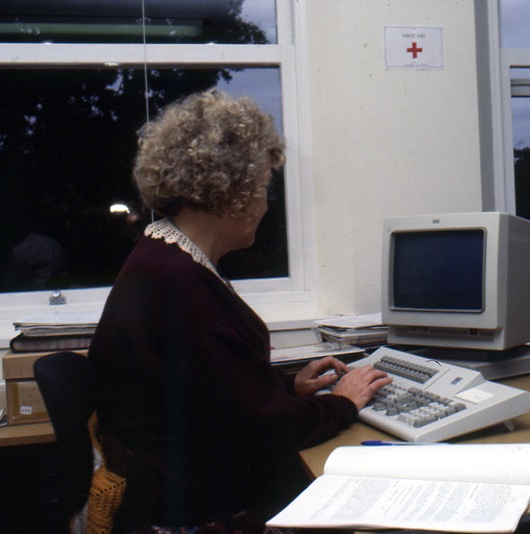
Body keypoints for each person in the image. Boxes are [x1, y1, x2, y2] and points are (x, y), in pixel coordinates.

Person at [88, 89, 392, 533]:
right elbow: (261, 434)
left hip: (162, 496)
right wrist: (341, 404)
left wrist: (286, 389)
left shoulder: (160, 257)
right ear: (234, 193)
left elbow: (213, 397)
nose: (266, 204)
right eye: (263, 187)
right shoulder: (184, 288)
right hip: (201, 517)